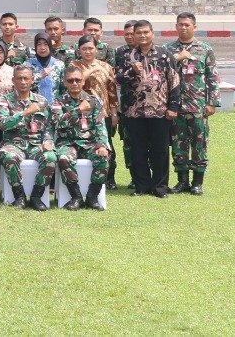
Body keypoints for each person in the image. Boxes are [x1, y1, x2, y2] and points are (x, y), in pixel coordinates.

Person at [115, 19, 178, 197]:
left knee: (160, 150)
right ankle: (141, 186)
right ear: (133, 35)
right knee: (138, 150)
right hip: (133, 111)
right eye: (138, 33)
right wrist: (131, 71)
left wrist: (173, 106)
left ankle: (160, 187)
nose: (142, 36)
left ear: (152, 33)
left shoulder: (165, 54)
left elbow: (174, 81)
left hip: (159, 110)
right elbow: (117, 79)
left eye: (145, 32)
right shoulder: (125, 55)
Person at [167, 11, 220, 196]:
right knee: (178, 144)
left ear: (194, 27)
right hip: (175, 106)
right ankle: (182, 181)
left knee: (199, 144)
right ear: (175, 26)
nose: (183, 27)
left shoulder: (205, 49)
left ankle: (197, 182)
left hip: (198, 106)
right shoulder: (168, 49)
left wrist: (212, 102)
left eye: (187, 25)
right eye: (180, 24)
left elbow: (213, 78)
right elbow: (163, 74)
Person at [0, 65, 55, 211]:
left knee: (50, 157)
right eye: (19, 78)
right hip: (13, 143)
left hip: (36, 145)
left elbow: (49, 126)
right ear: (13, 81)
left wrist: (47, 141)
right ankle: (19, 196)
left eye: (26, 78)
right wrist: (23, 113)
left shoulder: (41, 101)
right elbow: (3, 124)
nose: (23, 82)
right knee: (7, 155)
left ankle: (37, 196)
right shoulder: (5, 100)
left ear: (31, 80)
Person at [52, 66, 110, 211]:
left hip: (89, 143)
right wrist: (78, 110)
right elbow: (58, 123)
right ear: (65, 82)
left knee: (103, 158)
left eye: (78, 80)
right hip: (67, 142)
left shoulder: (93, 101)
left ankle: (92, 196)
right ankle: (76, 196)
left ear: (83, 82)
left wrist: (102, 145)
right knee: (64, 158)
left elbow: (100, 126)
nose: (74, 83)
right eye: (70, 80)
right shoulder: (58, 102)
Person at [74, 36, 121, 188]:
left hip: (103, 113)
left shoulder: (106, 66)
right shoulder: (74, 65)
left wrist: (114, 114)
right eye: (84, 49)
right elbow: (77, 81)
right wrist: (92, 69)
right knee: (84, 143)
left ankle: (110, 178)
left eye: (90, 48)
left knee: (106, 144)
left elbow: (112, 92)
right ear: (79, 50)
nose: (88, 51)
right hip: (81, 113)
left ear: (96, 49)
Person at [27, 34, 62, 103]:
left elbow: (63, 88)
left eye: (46, 44)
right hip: (34, 107)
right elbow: (23, 85)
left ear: (50, 46)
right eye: (39, 44)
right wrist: (39, 76)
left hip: (54, 108)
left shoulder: (59, 65)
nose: (42, 48)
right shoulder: (28, 65)